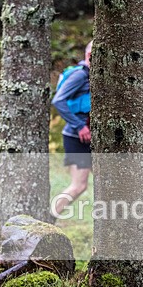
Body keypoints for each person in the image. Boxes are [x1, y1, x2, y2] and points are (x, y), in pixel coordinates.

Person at [51, 41, 92, 218]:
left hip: (91, 138)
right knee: (79, 186)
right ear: (89, 55)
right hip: (77, 138)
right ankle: (48, 218)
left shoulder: (94, 75)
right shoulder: (80, 76)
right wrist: (80, 126)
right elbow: (58, 100)